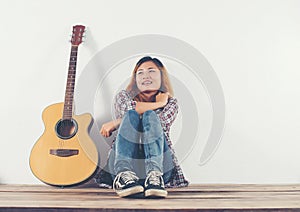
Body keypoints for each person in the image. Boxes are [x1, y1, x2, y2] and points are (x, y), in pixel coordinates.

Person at [97, 56, 188, 198]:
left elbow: (160, 124)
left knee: (151, 117)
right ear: (135, 79)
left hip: (161, 167)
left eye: (151, 71)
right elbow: (128, 112)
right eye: (140, 72)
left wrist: (116, 122)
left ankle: (154, 177)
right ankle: (124, 175)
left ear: (162, 76)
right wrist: (158, 104)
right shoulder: (123, 96)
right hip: (124, 164)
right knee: (131, 116)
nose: (145, 76)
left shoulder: (171, 102)